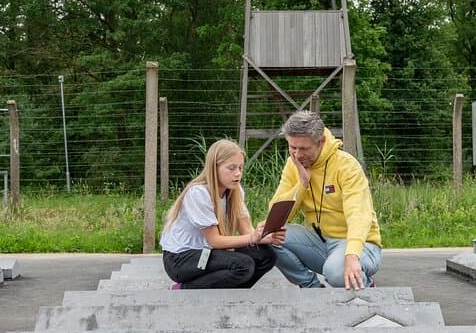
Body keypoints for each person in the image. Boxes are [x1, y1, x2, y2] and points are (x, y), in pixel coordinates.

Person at [268, 111, 382, 290]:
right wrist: (302, 184)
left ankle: (366, 286)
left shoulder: (346, 166)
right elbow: (275, 216)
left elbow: (359, 215)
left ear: (321, 142)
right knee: (270, 237)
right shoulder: (293, 164)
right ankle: (313, 289)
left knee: (336, 273)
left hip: (360, 244)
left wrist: (351, 255)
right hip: (320, 241)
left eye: (304, 149)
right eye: (292, 147)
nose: (297, 155)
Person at [160, 139, 284, 289]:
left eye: (240, 167)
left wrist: (265, 236)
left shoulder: (236, 192)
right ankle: (185, 288)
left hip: (208, 252)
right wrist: (252, 237)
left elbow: (247, 232)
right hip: (181, 259)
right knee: (243, 266)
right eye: (231, 168)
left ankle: (231, 294)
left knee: (266, 256)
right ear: (215, 168)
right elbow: (215, 241)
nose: (238, 173)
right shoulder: (198, 193)